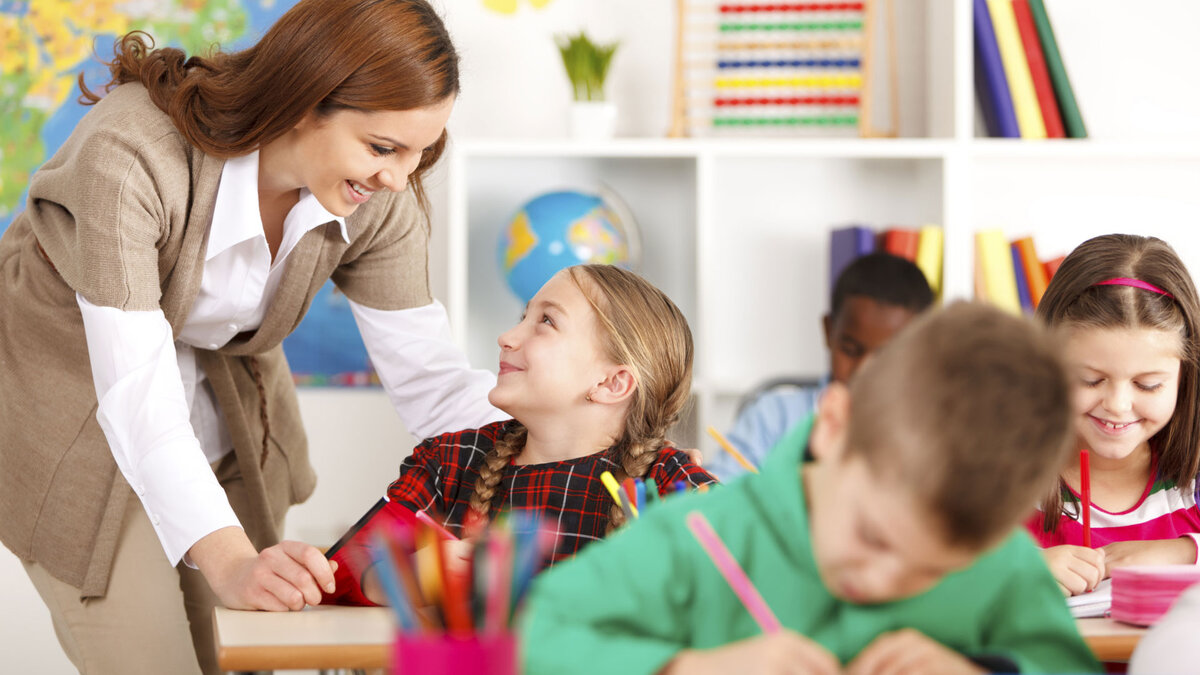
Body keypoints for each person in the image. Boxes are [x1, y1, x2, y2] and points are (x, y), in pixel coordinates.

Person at [0, 2, 508, 673]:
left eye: (422, 151)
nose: (397, 178)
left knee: (246, 651)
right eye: (382, 147)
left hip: (226, 398)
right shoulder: (130, 154)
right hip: (76, 390)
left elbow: (432, 382)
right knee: (150, 656)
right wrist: (231, 561)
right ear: (302, 102)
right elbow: (138, 396)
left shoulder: (381, 197)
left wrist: (576, 446)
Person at [519, 302, 1100, 675]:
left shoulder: (1002, 563)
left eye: (931, 571)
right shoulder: (698, 534)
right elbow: (531, 638)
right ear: (834, 424)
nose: (880, 583)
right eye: (872, 536)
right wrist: (687, 667)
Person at [322, 264, 718, 605]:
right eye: (524, 316)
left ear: (611, 383)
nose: (507, 337)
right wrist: (408, 577)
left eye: (546, 321)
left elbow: (742, 576)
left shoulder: (665, 480)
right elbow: (338, 572)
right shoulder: (450, 460)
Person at [1025, 234, 1200, 597]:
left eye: (1148, 385)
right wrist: (1018, 571)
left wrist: (1183, 552)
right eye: (1089, 380)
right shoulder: (1001, 480)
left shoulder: (1192, 479)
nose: (1118, 405)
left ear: (1185, 379)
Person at [708, 252, 934, 479]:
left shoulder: (929, 432)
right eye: (850, 350)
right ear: (828, 330)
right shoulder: (773, 417)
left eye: (884, 358)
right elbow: (716, 490)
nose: (862, 371)